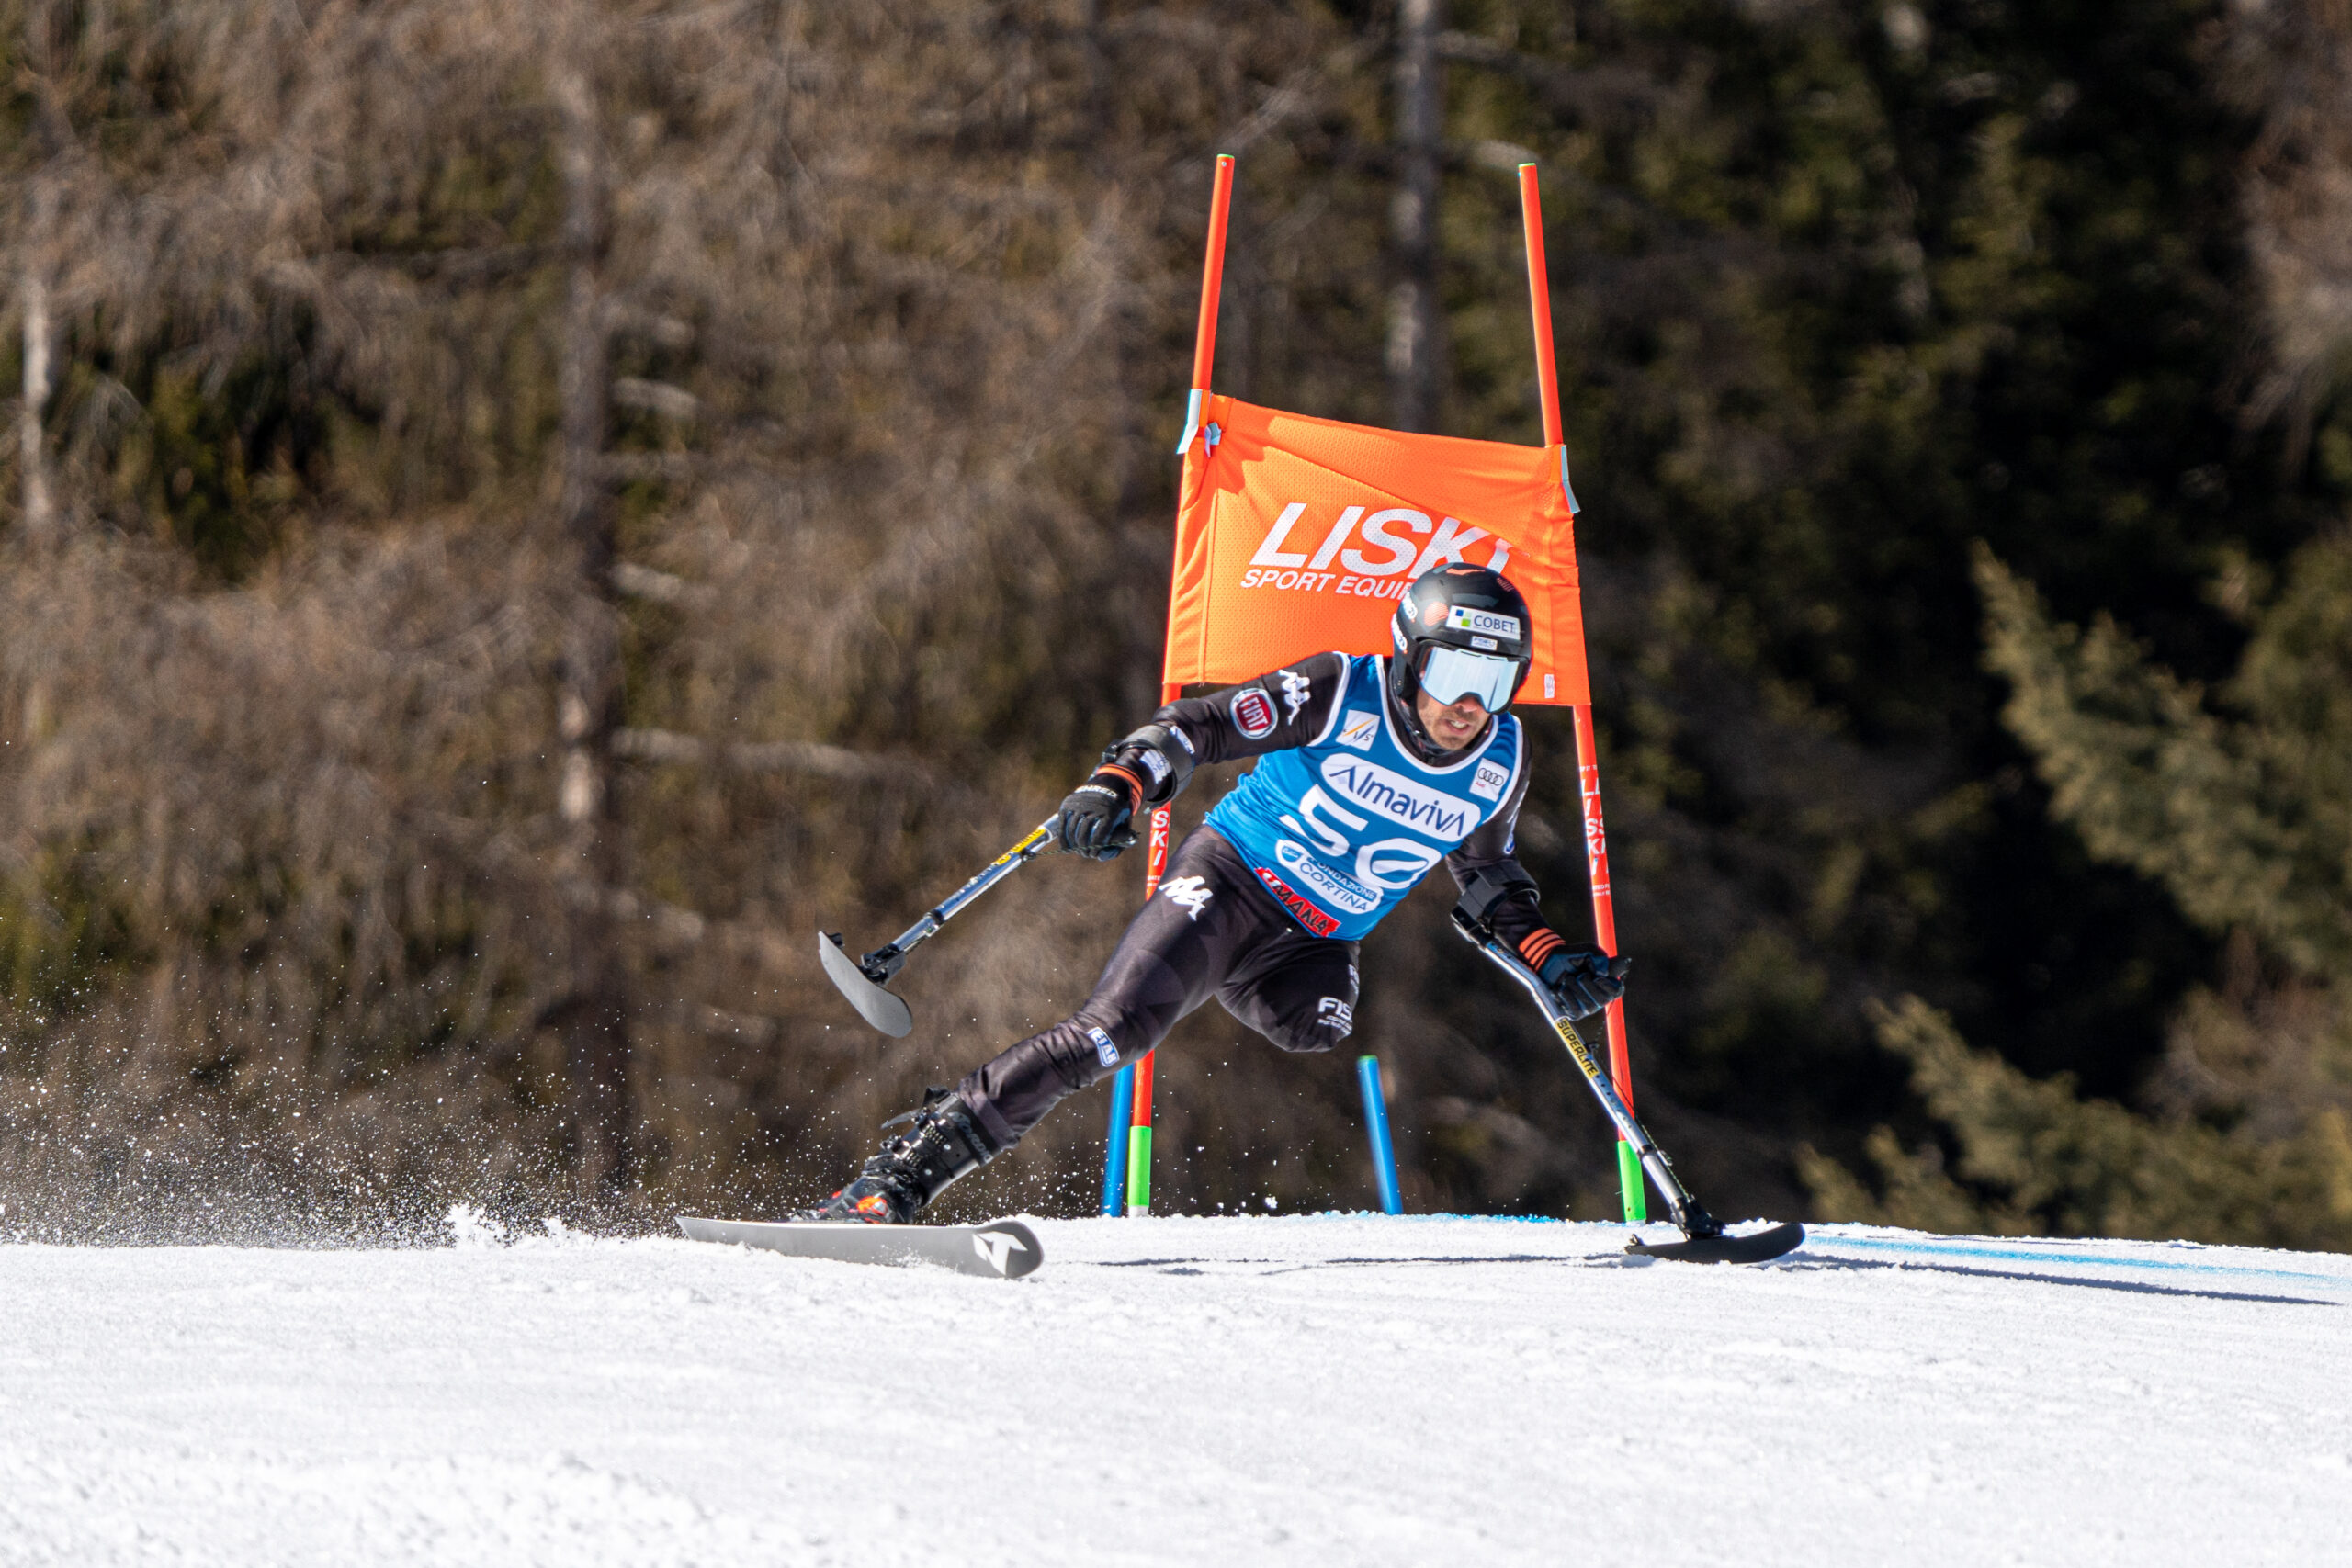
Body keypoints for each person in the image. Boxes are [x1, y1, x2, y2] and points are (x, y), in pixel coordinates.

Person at [805, 560, 1630, 1222]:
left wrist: (1550, 956)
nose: (1469, 703)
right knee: (1110, 1034)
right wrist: (1121, 783)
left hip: (1317, 941)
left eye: (1495, 680)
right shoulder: (1340, 690)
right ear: (1412, 656)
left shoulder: (1501, 760)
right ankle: (894, 1182)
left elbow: (1486, 875)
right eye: (1452, 670)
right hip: (1231, 881)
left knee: (1317, 1025)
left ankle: (1217, 968)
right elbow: (1202, 725)